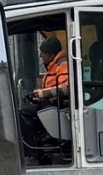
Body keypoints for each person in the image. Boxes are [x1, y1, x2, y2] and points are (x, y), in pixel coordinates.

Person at [20, 31, 74, 165]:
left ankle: (31, 154)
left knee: (24, 114)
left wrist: (44, 94)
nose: (40, 56)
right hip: (52, 102)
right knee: (27, 111)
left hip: (59, 104)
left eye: (43, 53)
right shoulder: (53, 65)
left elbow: (66, 88)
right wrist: (39, 95)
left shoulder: (63, 64)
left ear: (50, 54)